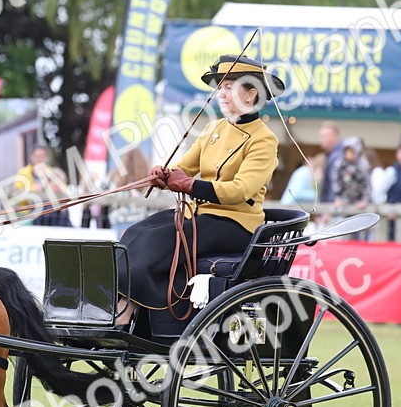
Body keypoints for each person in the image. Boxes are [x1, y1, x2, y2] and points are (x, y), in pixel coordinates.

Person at [118, 55, 283, 324]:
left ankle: (131, 313)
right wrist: (164, 174)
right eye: (220, 86)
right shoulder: (212, 128)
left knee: (154, 244)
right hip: (199, 216)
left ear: (251, 93)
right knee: (135, 234)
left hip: (235, 223)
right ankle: (128, 306)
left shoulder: (264, 139)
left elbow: (240, 191)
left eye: (230, 86)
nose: (222, 93)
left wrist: (189, 184)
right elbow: (185, 166)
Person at [15, 145, 72, 227]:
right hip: (29, 212)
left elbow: (62, 191)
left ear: (47, 158)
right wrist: (43, 184)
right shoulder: (24, 173)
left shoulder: (54, 172)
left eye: (42, 156)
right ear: (32, 157)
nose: (40, 159)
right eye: (37, 156)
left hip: (51, 212)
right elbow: (18, 192)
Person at [333, 136, 371, 210]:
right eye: (347, 151)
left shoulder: (363, 165)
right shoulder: (340, 165)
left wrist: (364, 201)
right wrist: (339, 199)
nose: (349, 154)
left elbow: (367, 186)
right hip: (344, 202)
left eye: (351, 151)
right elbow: (337, 184)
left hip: (360, 202)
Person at [316, 122, 343, 204]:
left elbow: (334, 183)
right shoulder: (333, 155)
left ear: (334, 136)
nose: (321, 139)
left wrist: (328, 210)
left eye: (324, 136)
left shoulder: (337, 157)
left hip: (335, 207)